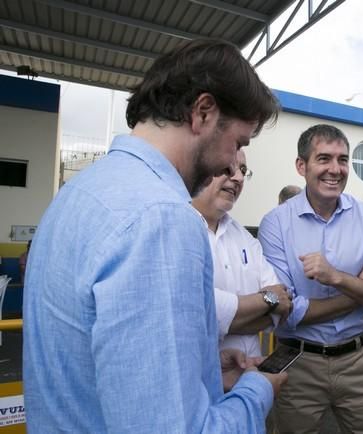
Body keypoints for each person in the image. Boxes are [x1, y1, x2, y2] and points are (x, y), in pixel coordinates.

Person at [23, 40, 286, 433]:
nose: (233, 165)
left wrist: (205, 375)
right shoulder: (162, 220)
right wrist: (257, 390)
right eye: (238, 143)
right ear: (203, 112)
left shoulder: (78, 194)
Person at [258, 124, 363, 434]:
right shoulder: (275, 224)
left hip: (358, 359)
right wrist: (359, 288)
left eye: (343, 159)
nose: (335, 169)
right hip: (298, 363)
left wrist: (336, 277)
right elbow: (288, 311)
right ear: (302, 166)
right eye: (324, 158)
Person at [192, 149, 292, 357]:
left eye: (243, 170)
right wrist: (266, 300)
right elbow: (194, 310)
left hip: (250, 378)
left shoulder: (245, 237)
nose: (237, 177)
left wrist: (221, 323)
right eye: (227, 168)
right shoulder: (178, 230)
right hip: (202, 381)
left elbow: (282, 305)